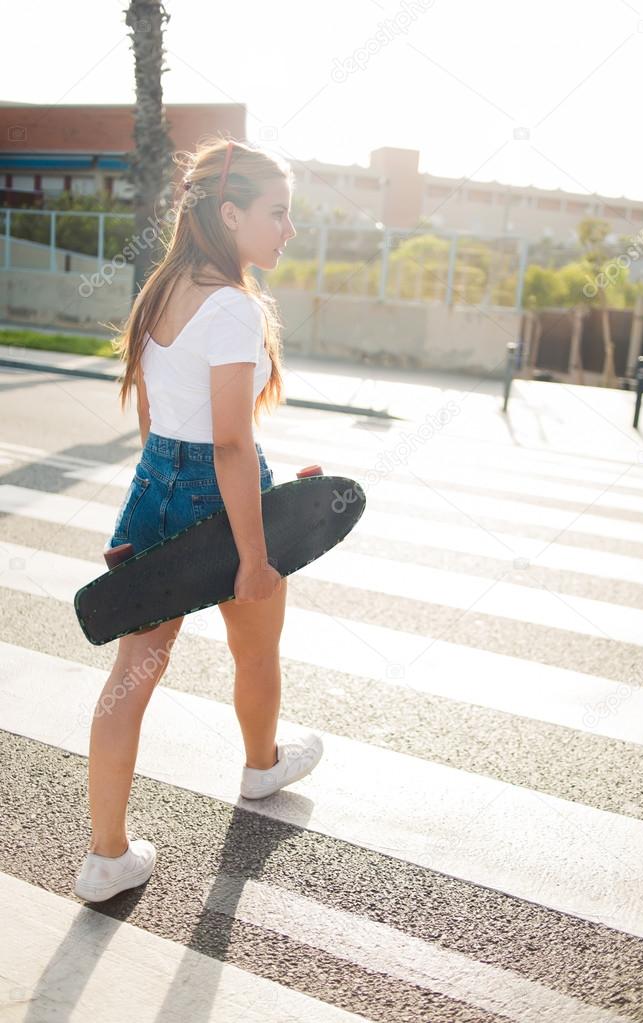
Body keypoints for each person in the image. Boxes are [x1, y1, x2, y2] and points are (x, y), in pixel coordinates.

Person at [74, 135, 324, 903]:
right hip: (224, 493)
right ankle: (260, 765)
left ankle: (105, 858)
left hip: (159, 487)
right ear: (229, 212)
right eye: (277, 214)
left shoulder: (161, 289)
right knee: (257, 648)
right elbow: (228, 440)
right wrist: (254, 548)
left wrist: (147, 513)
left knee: (131, 680)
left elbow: (156, 421)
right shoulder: (234, 307)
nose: (288, 230)